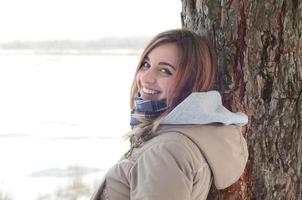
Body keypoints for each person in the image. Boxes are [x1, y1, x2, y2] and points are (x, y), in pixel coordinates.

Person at [92, 29, 248, 200]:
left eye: (165, 71)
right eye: (146, 64)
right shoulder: (186, 137)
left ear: (191, 82)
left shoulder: (165, 152)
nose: (146, 78)